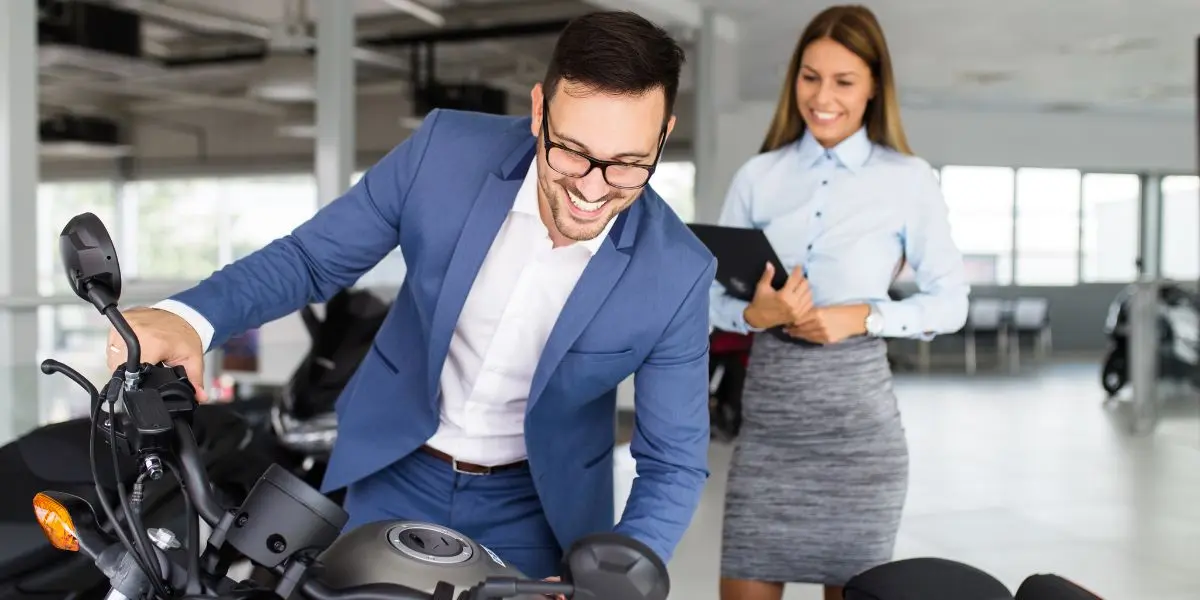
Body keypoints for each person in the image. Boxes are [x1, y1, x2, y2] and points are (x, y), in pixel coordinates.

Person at [105, 11, 716, 580]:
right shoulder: (444, 152)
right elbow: (312, 258)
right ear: (539, 110)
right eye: (573, 152)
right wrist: (191, 317)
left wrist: (623, 575)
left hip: (537, 506)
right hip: (396, 467)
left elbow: (673, 461)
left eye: (628, 164)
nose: (593, 187)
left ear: (664, 135)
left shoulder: (678, 273)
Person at [710, 6, 969, 600]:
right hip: (770, 436)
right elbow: (705, 300)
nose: (822, 96)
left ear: (875, 86)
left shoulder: (908, 179)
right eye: (810, 76)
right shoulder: (759, 176)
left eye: (844, 81)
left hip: (859, 443)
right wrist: (756, 316)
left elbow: (951, 301)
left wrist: (865, 315)